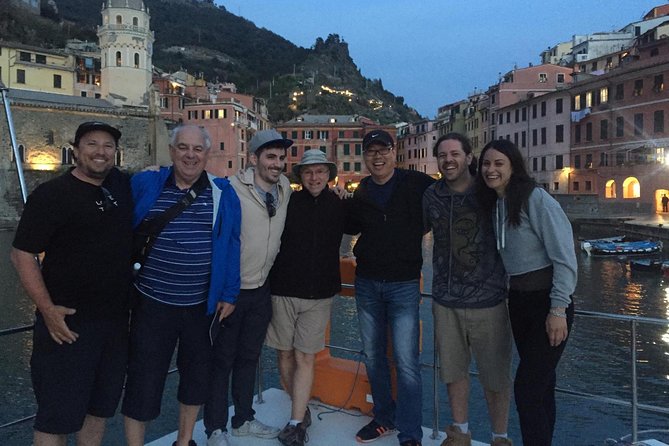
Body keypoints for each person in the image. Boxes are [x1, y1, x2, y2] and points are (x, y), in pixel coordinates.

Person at [11, 121, 132, 446]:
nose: (100, 152)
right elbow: (22, 254)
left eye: (108, 146)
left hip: (115, 325)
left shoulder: (120, 186)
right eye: (92, 144)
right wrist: (47, 310)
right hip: (66, 327)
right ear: (76, 151)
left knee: (99, 409)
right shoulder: (51, 196)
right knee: (55, 418)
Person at [121, 125, 241, 446]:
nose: (190, 155)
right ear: (172, 151)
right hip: (151, 304)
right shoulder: (145, 182)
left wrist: (229, 293)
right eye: (183, 148)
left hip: (200, 307)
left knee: (195, 378)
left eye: (197, 149)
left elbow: (232, 244)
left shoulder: (222, 192)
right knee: (143, 379)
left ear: (206, 154)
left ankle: (184, 441)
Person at [476, 139, 577, 446]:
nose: (491, 170)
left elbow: (565, 258)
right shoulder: (496, 203)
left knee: (527, 389)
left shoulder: (536, 199)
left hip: (548, 303)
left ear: (513, 166)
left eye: (498, 164)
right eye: (486, 164)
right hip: (519, 302)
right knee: (543, 388)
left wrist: (558, 309)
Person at [345, 129, 435, 446]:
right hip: (367, 282)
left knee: (407, 362)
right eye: (371, 151)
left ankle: (410, 433)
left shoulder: (417, 184)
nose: (377, 156)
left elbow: (445, 202)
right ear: (365, 157)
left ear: (394, 153)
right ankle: (384, 418)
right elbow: (350, 225)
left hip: (404, 285)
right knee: (373, 356)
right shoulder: (362, 191)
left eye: (383, 150)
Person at [204, 129, 292, 446]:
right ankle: (215, 427)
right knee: (221, 362)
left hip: (261, 290)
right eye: (270, 157)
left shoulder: (284, 189)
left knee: (248, 359)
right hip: (231, 293)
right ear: (253, 158)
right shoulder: (229, 190)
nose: (277, 164)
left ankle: (242, 420)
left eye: (281, 158)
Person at [423, 133, 512, 446]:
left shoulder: (489, 192)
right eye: (443, 155)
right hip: (445, 300)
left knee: (496, 377)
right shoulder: (431, 195)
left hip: (489, 300)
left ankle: (500, 437)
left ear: (469, 157)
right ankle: (460, 433)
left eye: (455, 154)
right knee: (453, 372)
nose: (448, 160)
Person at [266, 149, 346, 446]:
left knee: (304, 356)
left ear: (328, 175)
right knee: (284, 354)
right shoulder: (286, 202)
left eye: (321, 172)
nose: (315, 177)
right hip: (283, 289)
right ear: (300, 176)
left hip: (319, 294)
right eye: (309, 172)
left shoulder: (340, 205)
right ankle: (300, 408)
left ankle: (296, 422)